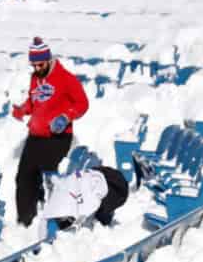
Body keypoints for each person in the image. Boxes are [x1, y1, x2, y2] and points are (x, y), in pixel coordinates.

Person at [10, 37, 89, 227]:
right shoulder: (35, 79)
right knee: (23, 177)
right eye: (33, 65)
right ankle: (25, 222)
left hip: (57, 137)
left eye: (40, 64)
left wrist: (65, 117)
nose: (37, 68)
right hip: (35, 136)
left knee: (47, 174)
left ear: (48, 59)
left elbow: (82, 104)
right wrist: (23, 109)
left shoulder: (66, 78)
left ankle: (57, 217)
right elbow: (34, 101)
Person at [40, 165, 129, 230]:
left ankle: (105, 221)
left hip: (117, 188)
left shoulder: (87, 204)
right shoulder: (65, 191)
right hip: (100, 174)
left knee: (100, 216)